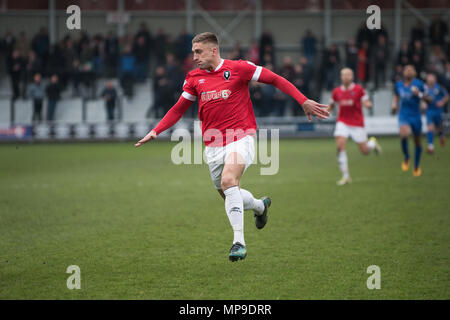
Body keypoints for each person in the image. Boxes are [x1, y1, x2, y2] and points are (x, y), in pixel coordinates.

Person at [135, 32, 329, 262]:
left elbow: (275, 79)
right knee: (229, 194)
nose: (194, 56)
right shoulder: (194, 77)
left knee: (229, 182)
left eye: (199, 51)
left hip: (241, 137)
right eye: (193, 51)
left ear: (213, 50)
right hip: (213, 146)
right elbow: (178, 108)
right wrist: (156, 130)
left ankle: (239, 242)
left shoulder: (240, 68)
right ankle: (259, 206)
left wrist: (302, 100)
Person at [328, 68, 382, 186]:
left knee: (365, 151)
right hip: (342, 122)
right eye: (344, 75)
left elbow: (366, 101)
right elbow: (331, 105)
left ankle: (372, 143)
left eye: (348, 75)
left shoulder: (359, 90)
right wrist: (325, 111)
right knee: (340, 146)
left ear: (352, 77)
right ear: (341, 77)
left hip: (357, 123)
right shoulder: (336, 91)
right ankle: (346, 177)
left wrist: (368, 104)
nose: (346, 77)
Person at [392, 65, 425, 177]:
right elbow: (396, 96)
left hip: (416, 116)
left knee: (417, 142)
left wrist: (419, 94)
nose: (409, 71)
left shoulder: (419, 84)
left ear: (415, 72)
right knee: (404, 134)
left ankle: (416, 165)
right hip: (404, 115)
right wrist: (394, 104)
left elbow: (429, 98)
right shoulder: (399, 85)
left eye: (411, 70)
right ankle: (407, 157)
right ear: (404, 72)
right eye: (407, 69)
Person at [423, 73, 449, 153]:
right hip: (429, 111)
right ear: (427, 79)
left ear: (435, 79)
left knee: (439, 128)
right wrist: (423, 103)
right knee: (430, 127)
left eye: (432, 78)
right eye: (429, 78)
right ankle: (430, 146)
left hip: (438, 111)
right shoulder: (424, 88)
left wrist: (442, 102)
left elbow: (447, 96)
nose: (430, 79)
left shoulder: (439, 87)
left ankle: (441, 135)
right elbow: (421, 97)